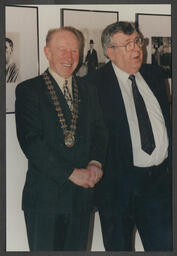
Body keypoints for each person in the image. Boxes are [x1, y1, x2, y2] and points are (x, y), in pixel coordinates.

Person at [15, 26, 108, 251]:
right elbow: (31, 143)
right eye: (62, 50)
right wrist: (71, 173)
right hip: (45, 200)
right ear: (47, 52)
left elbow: (100, 132)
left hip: (81, 199)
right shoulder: (29, 90)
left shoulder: (89, 90)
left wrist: (96, 162)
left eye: (74, 51)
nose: (69, 57)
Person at [84, 21, 172, 251]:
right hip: (117, 189)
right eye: (127, 45)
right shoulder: (93, 84)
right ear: (110, 52)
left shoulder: (154, 74)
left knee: (165, 247)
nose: (136, 49)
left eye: (137, 41)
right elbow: (90, 137)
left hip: (159, 185)